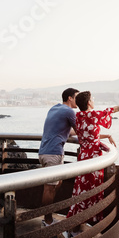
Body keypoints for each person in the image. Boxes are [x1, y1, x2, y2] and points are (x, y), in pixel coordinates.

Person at [66, 91, 119, 227]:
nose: (93, 101)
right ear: (88, 103)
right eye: (92, 99)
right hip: (94, 158)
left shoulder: (79, 116)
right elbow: (113, 110)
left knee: (82, 188)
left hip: (83, 156)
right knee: (93, 187)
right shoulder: (94, 115)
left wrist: (106, 136)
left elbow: (89, 135)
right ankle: (89, 220)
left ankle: (77, 219)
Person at [38, 87, 79, 227]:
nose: (78, 100)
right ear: (70, 98)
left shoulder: (55, 108)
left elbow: (67, 130)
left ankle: (48, 215)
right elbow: (81, 130)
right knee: (49, 188)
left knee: (58, 183)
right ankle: (47, 220)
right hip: (53, 154)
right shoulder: (69, 111)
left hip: (44, 151)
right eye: (77, 97)